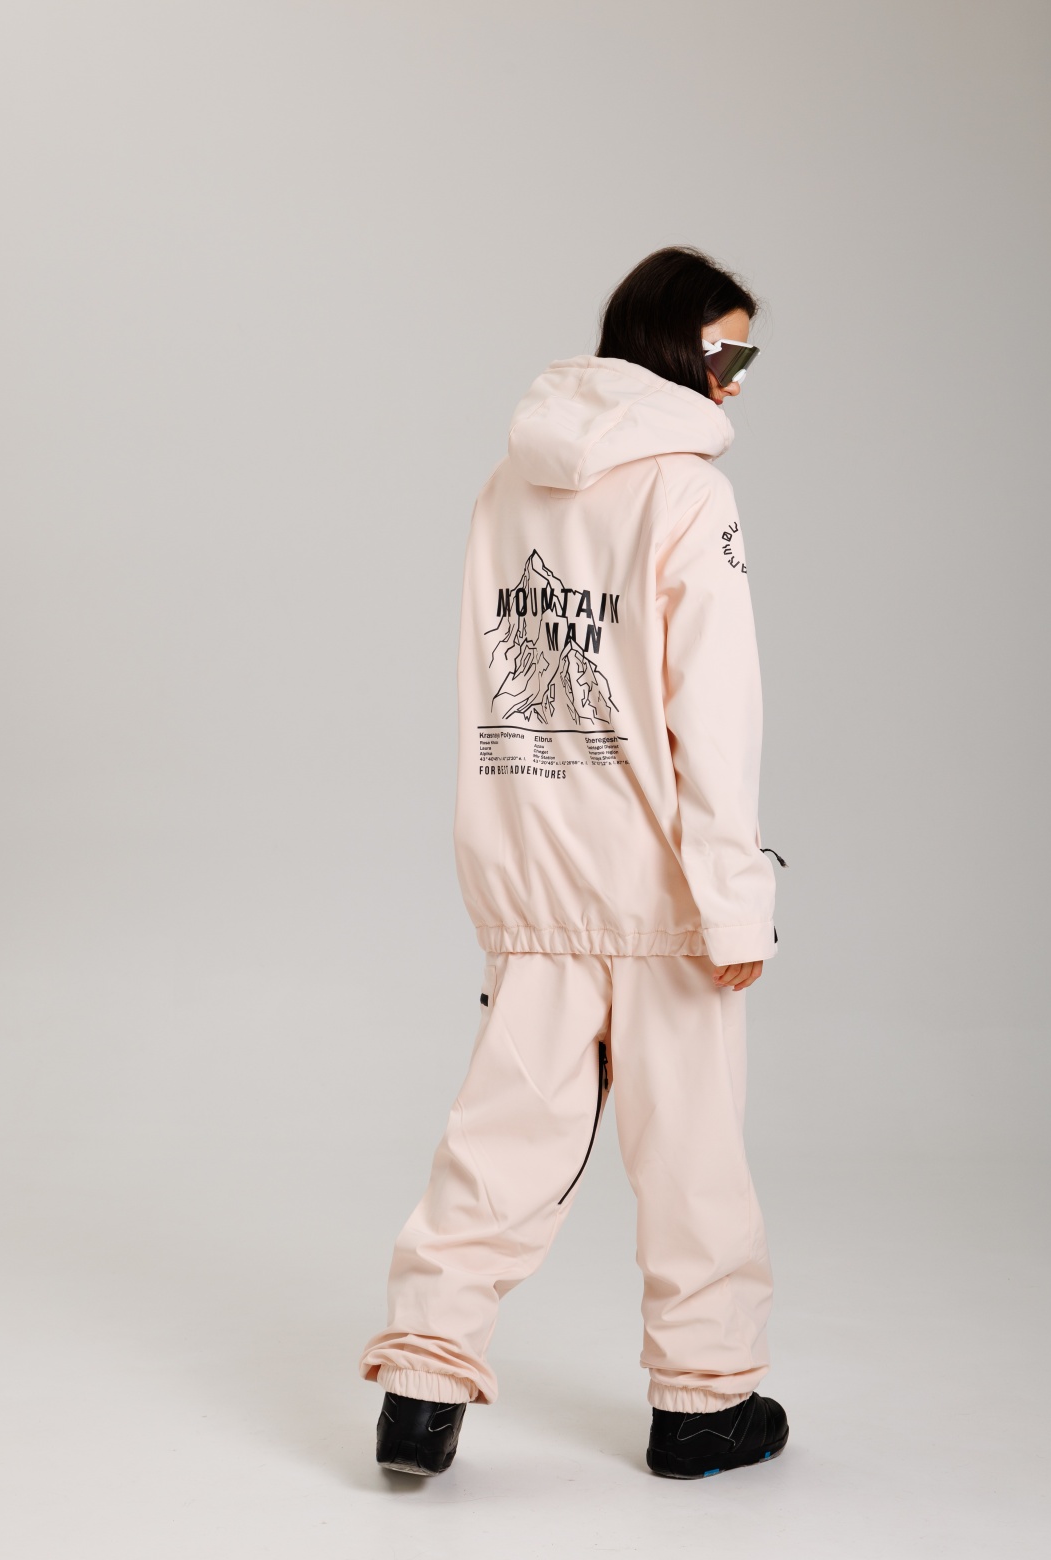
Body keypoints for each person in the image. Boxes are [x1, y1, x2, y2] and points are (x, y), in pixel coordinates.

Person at [359, 245, 790, 1480]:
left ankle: (419, 1386)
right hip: (660, 892)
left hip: (533, 873)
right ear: (675, 346)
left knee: (501, 1140)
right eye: (728, 350)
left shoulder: (510, 482)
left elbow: (493, 675)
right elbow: (713, 713)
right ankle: (701, 1406)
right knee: (691, 1156)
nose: (739, 377)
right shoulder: (689, 494)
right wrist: (734, 900)